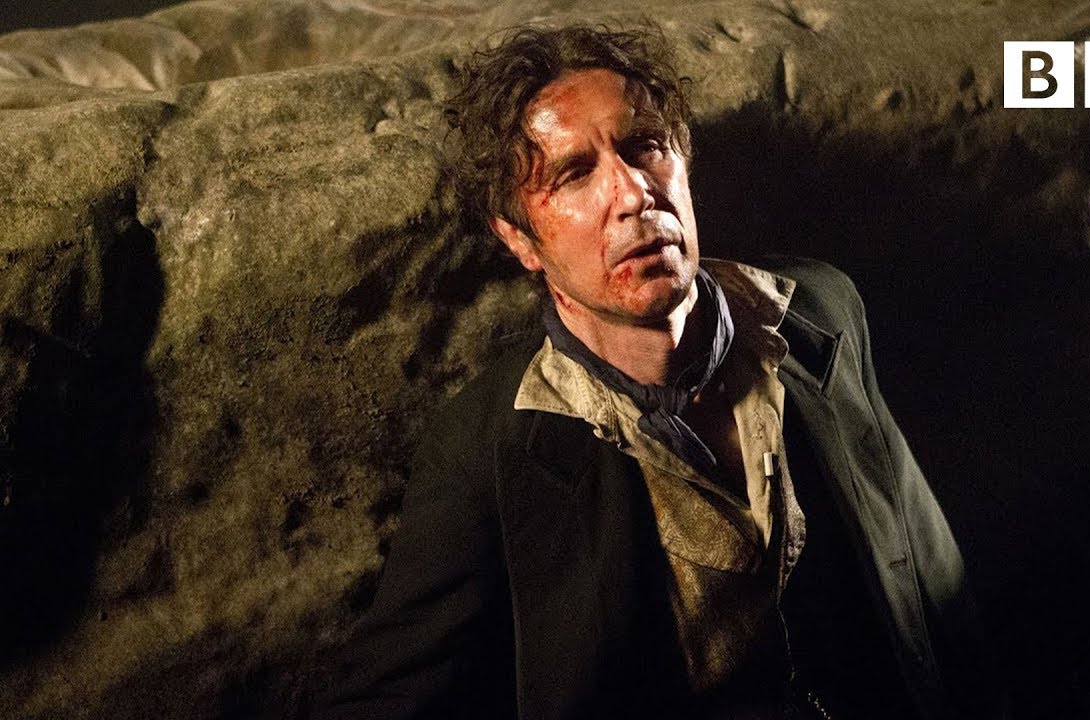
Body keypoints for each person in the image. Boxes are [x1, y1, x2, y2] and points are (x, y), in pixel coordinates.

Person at [315, 24, 1000, 720]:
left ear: (683, 157)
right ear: (520, 239)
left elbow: (926, 571)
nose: (632, 192)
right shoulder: (487, 448)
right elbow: (393, 694)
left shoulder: (818, 311)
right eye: (574, 174)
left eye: (645, 146)